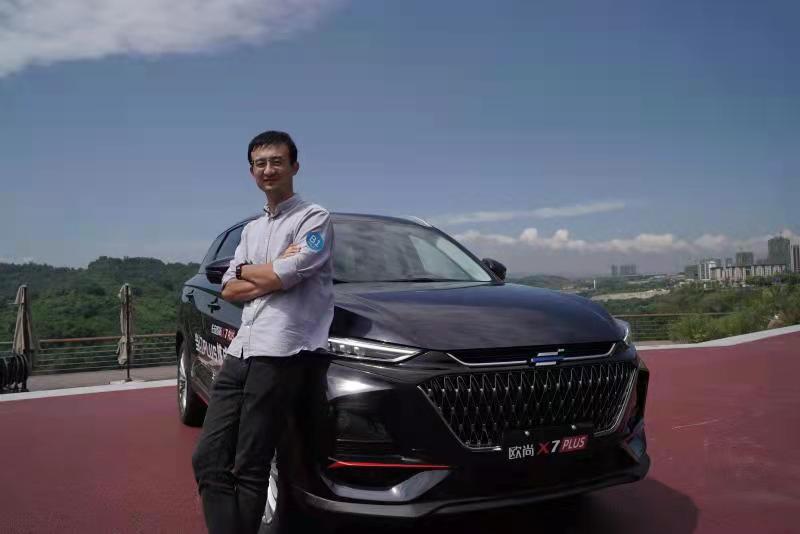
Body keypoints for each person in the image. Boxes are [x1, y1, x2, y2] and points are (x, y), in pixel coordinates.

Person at [191, 130, 335, 534]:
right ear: (252, 171)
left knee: (251, 463)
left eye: (276, 161)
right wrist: (266, 271)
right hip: (241, 349)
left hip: (281, 350)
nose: (268, 169)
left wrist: (253, 271)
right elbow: (229, 288)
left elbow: (291, 271)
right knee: (207, 457)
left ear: (294, 166)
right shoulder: (251, 231)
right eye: (260, 163)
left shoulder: (314, 219)